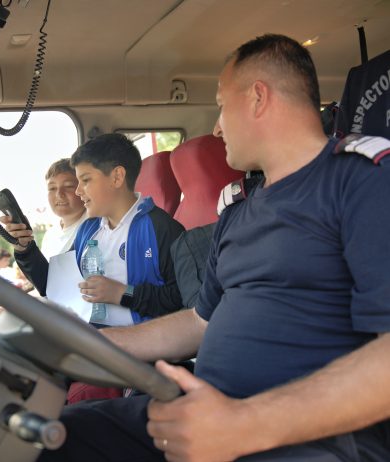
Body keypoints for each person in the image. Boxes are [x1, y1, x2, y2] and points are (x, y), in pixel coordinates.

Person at [38, 34, 390, 462]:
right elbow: (200, 322)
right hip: (208, 412)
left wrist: (244, 423)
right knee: (50, 438)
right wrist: (85, 344)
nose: (217, 127)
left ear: (258, 98)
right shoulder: (239, 210)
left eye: (222, 106)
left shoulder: (363, 182)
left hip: (307, 436)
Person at [7, 133, 184, 326]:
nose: (78, 191)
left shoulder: (161, 229)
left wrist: (122, 293)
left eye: (85, 180)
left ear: (117, 177)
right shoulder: (89, 229)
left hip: (137, 340)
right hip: (86, 333)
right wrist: (25, 248)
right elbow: (55, 287)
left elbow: (181, 300)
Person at [39, 158, 88, 258]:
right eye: (52, 188)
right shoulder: (50, 235)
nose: (59, 194)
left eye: (68, 186)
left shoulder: (96, 227)